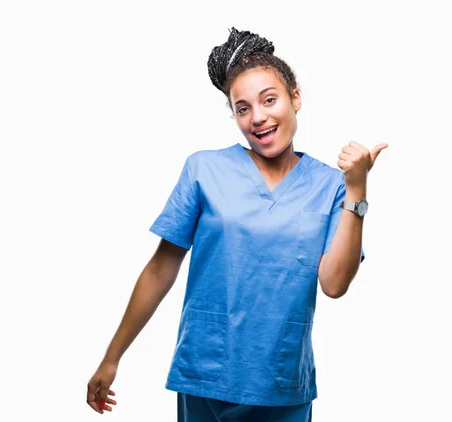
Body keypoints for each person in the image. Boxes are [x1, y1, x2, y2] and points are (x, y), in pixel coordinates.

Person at [86, 27, 387, 421]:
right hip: (206, 376)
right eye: (243, 108)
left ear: (295, 98)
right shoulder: (203, 169)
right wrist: (112, 358)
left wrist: (357, 189)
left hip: (281, 385)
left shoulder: (332, 185)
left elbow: (334, 284)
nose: (258, 117)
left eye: (269, 100)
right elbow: (161, 269)